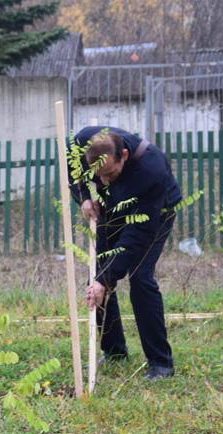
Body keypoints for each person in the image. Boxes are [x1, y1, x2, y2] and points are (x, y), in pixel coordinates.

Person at [69, 126, 182, 381]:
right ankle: (115, 352)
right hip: (113, 208)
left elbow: (135, 238)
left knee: (140, 278)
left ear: (124, 156)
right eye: (99, 175)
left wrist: (107, 278)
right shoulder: (83, 141)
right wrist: (84, 197)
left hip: (153, 214)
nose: (105, 180)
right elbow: (72, 167)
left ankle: (161, 364)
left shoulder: (151, 170)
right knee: (95, 278)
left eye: (110, 173)